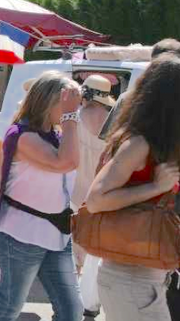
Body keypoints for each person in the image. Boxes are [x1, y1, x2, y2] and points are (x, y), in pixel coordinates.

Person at [86, 55, 180, 321]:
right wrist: (155, 186)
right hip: (131, 281)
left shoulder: (153, 143)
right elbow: (95, 200)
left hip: (140, 280)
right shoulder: (138, 144)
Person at [0, 72, 83, 321]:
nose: (74, 107)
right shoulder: (22, 136)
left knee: (72, 311)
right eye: (68, 100)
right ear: (49, 101)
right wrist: (71, 116)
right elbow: (67, 162)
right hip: (23, 234)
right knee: (9, 306)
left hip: (56, 234)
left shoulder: (56, 135)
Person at [71, 75, 114, 267]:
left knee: (74, 237)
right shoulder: (114, 121)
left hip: (74, 188)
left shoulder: (74, 117)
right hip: (100, 190)